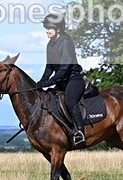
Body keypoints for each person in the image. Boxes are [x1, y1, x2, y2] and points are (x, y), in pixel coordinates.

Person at [35, 13, 86, 146]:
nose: (47, 31)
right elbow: (49, 67)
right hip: (61, 80)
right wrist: (41, 82)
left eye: (49, 28)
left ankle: (80, 132)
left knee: (70, 102)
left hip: (73, 79)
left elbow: (65, 67)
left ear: (57, 29)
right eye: (46, 28)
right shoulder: (50, 44)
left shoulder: (66, 42)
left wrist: (50, 82)